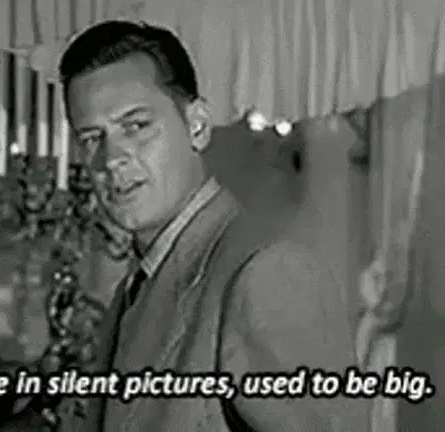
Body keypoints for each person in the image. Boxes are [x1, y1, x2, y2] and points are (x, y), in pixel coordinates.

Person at [56, 20, 369, 432]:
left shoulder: (267, 273)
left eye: (136, 126)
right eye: (92, 138)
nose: (112, 158)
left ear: (197, 126)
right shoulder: (135, 288)